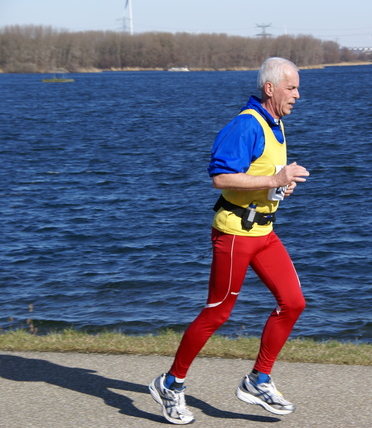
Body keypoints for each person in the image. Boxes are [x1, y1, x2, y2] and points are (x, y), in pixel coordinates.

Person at [149, 57, 309, 425]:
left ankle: (258, 379)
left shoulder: (276, 123)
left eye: (298, 88)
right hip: (235, 234)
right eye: (292, 87)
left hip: (264, 234)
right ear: (270, 88)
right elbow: (221, 178)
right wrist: (274, 179)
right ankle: (171, 384)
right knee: (218, 311)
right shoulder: (245, 125)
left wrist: (280, 185)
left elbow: (260, 176)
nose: (298, 95)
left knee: (294, 302)